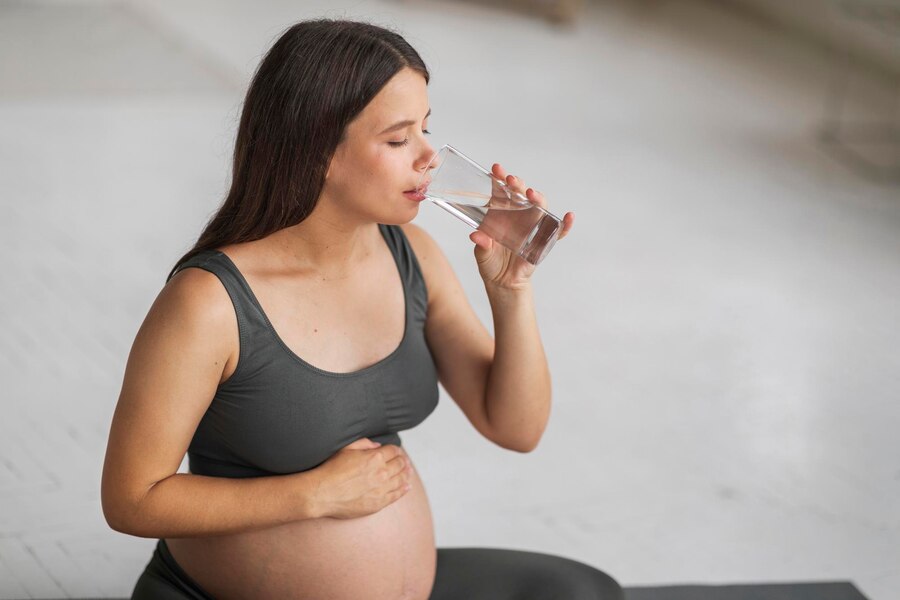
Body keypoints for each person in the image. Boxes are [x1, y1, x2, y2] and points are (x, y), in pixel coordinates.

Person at [101, 18, 623, 600]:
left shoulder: (413, 257)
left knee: (584, 592)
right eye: (399, 139)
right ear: (318, 150)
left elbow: (517, 428)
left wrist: (511, 292)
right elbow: (131, 498)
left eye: (427, 129)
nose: (430, 156)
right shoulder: (208, 303)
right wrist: (315, 494)